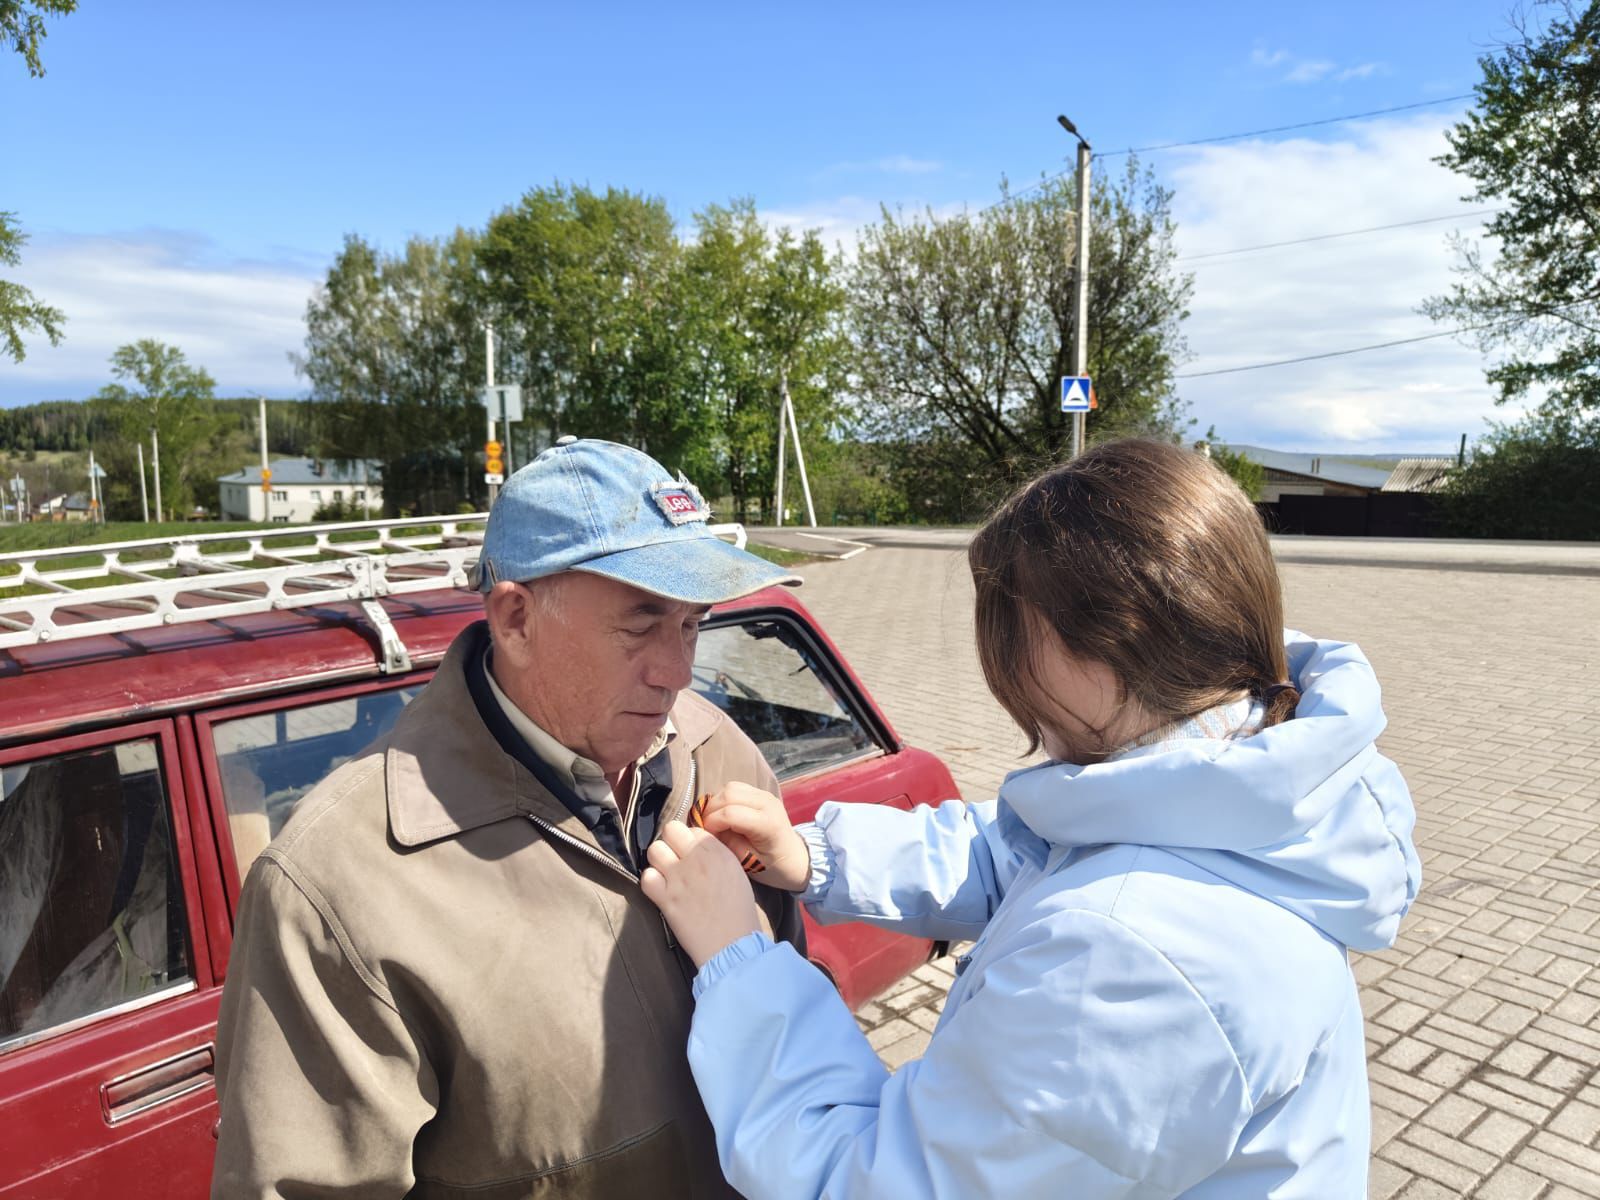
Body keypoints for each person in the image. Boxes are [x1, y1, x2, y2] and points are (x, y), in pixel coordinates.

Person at [642, 438, 1422, 1199]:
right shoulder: (1244, 781)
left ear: (1111, 643)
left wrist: (739, 960)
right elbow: (1022, 853)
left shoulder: (1128, 963)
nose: (1004, 682)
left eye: (1014, 641)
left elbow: (869, 1177)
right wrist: (815, 854)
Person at [212, 437, 805, 1198]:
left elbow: (791, 1003)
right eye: (641, 623)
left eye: (692, 623)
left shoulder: (719, 748)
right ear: (516, 618)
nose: (679, 672)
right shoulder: (334, 889)